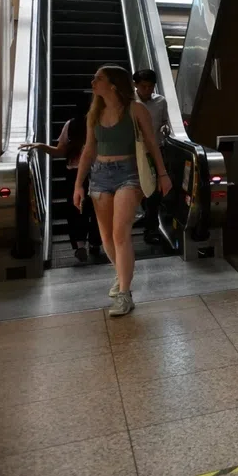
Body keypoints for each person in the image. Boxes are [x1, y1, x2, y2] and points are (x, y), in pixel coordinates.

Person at [74, 65, 172, 316]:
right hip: (100, 176)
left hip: (129, 173)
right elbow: (88, 150)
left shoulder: (135, 109)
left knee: (120, 233)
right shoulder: (94, 112)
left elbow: (151, 142)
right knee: (106, 237)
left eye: (99, 78)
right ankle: (121, 274)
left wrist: (162, 174)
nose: (93, 82)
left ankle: (124, 294)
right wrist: (78, 184)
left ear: (114, 84)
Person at [20, 92, 102, 263]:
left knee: (81, 210)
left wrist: (42, 146)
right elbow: (62, 150)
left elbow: (60, 151)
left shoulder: (78, 124)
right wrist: (41, 146)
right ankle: (89, 244)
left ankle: (86, 244)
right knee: (91, 209)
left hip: (83, 172)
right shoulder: (90, 124)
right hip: (91, 172)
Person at [133, 69, 169, 244]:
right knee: (135, 187)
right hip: (134, 152)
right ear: (136, 85)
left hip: (155, 150)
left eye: (150, 87)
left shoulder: (160, 101)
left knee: (154, 191)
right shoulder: (129, 102)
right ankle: (139, 215)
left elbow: (164, 122)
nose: (147, 90)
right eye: (143, 86)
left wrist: (165, 130)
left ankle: (151, 228)